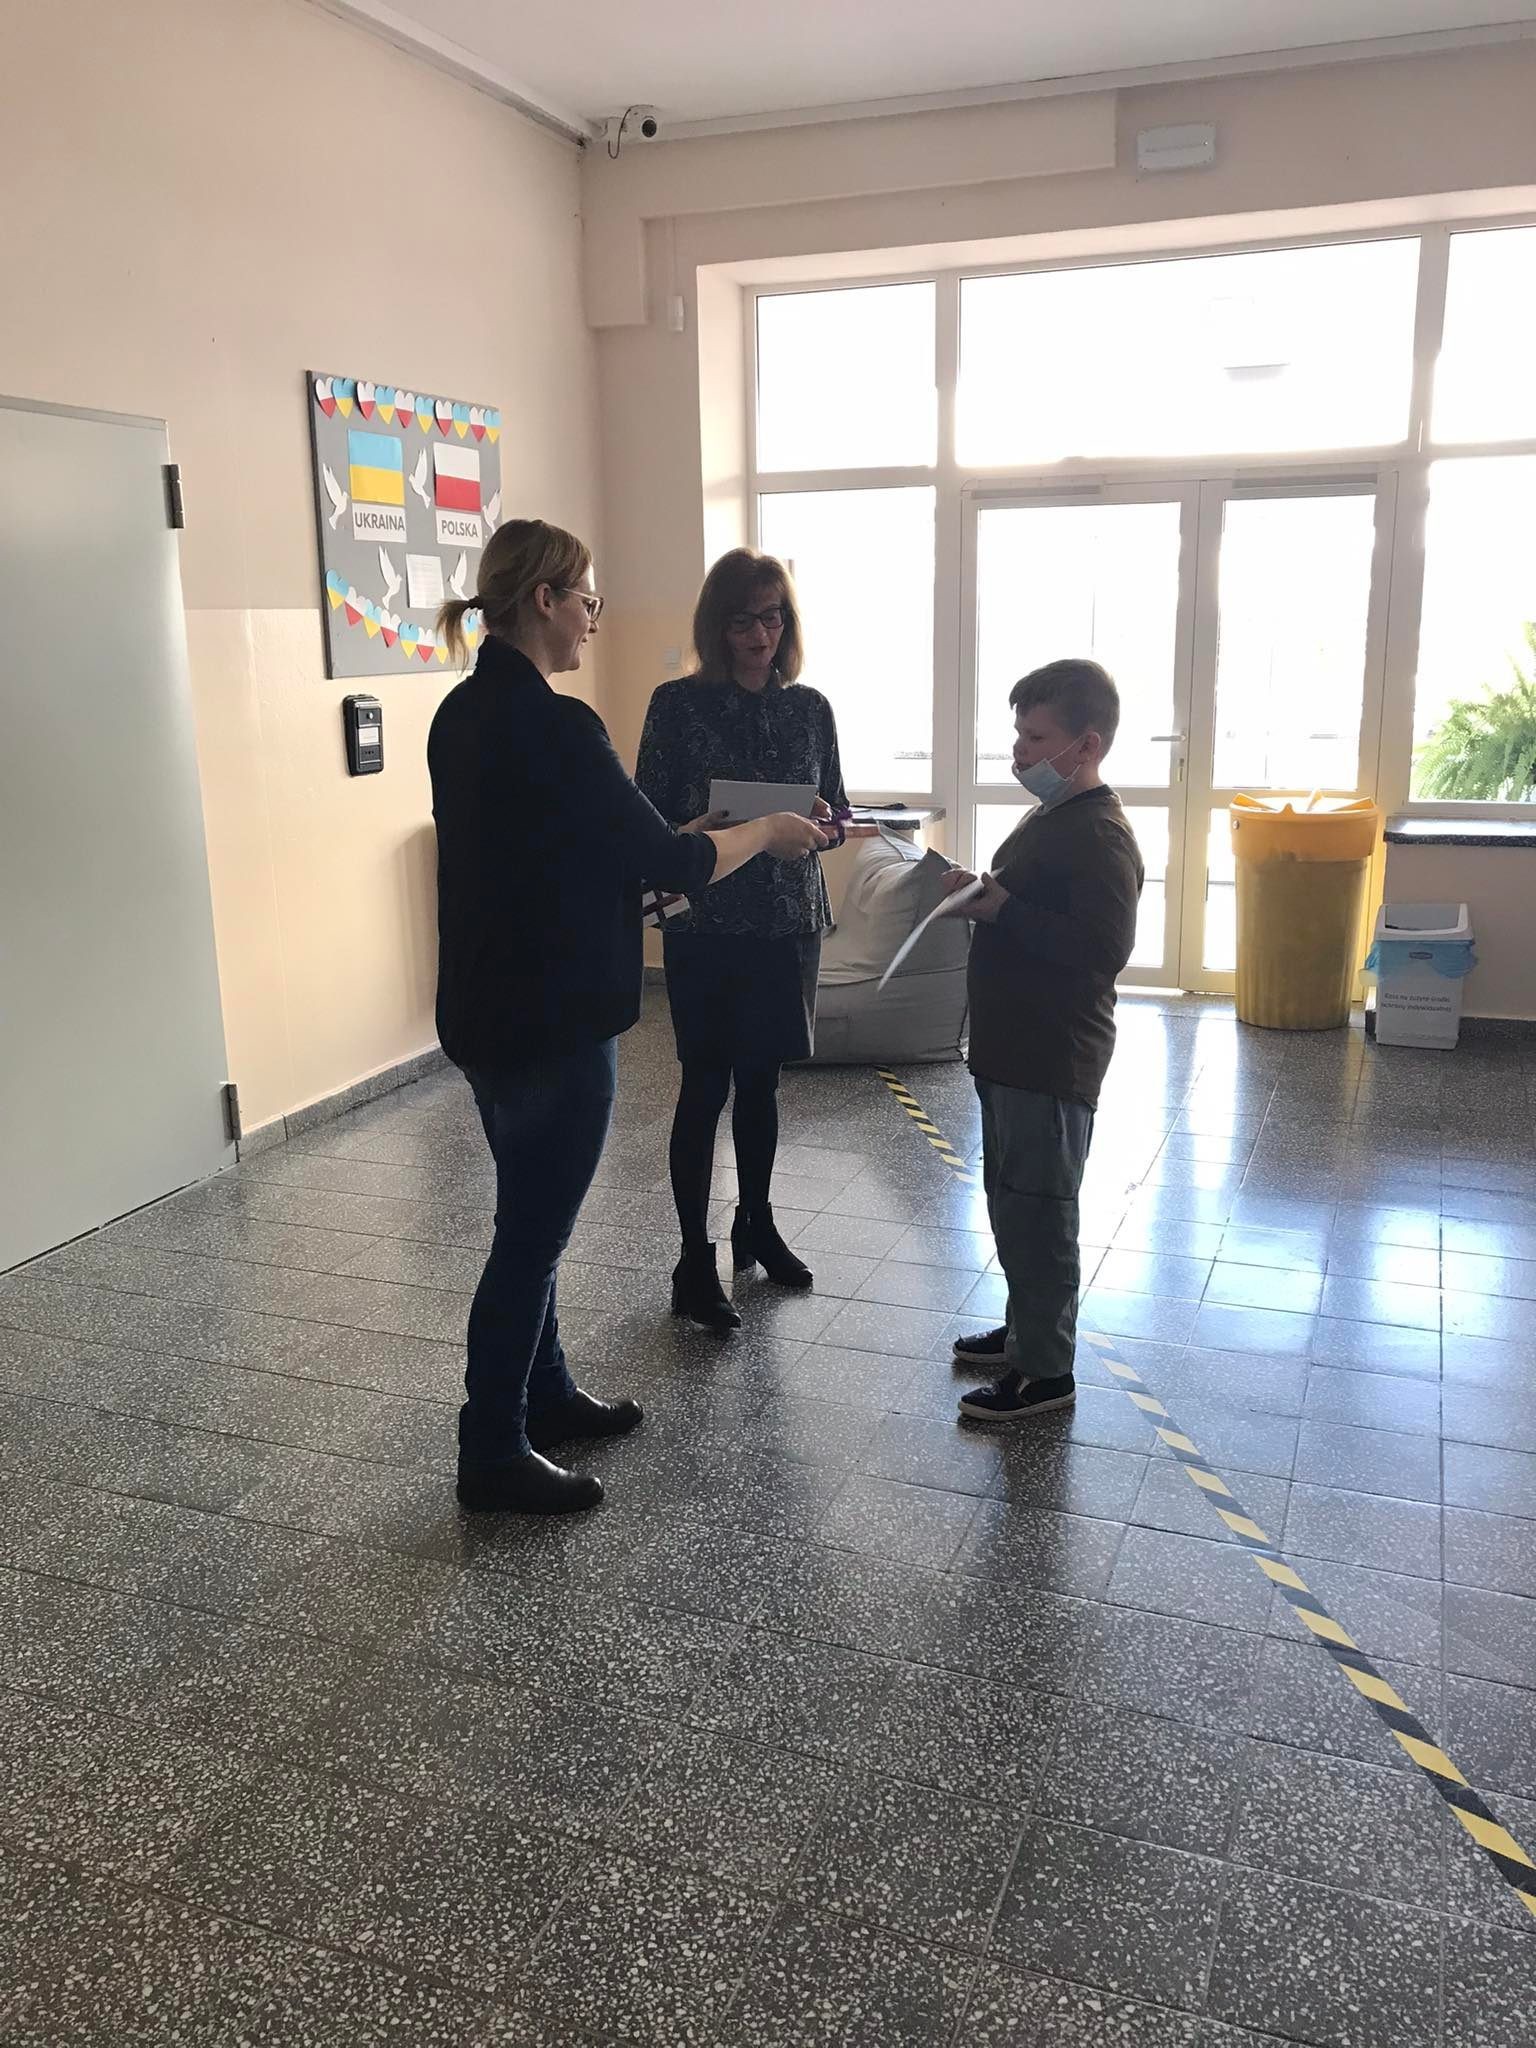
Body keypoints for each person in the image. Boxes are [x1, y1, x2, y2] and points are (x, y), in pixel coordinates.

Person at [429, 520, 826, 1515]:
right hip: (555, 1020)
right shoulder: (561, 725)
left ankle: (548, 1394)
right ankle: (492, 1449)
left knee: (529, 1217)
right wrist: (767, 831)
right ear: (545, 600)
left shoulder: (460, 713)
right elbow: (677, 863)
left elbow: (548, 855)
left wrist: (670, 842)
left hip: (483, 1010)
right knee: (530, 1240)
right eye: (587, 601)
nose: (593, 622)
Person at [635, 548, 848, 1331]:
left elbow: (839, 813)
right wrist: (702, 828)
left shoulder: (811, 708)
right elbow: (648, 820)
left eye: (772, 617)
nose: (760, 635)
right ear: (715, 626)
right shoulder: (676, 705)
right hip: (707, 923)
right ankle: (693, 1260)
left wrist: (822, 827)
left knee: (764, 1085)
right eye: (742, 620)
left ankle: (755, 1223)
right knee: (704, 1087)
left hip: (787, 921)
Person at [941, 658, 1144, 1425]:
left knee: (1041, 1214)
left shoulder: (1100, 834)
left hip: (1050, 1057)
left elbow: (1101, 948)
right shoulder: (1054, 817)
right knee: (1013, 1203)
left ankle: (1046, 1372)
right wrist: (984, 892)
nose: (1020, 752)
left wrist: (1002, 912)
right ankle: (1024, 1330)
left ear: (1086, 745)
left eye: (1035, 737)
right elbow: (1032, 900)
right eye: (1018, 735)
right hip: (1011, 1051)